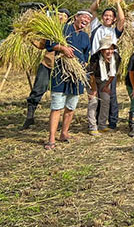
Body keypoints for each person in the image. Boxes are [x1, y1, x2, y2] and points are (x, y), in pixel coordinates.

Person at [44, 10, 92, 150]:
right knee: (57, 106)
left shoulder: (84, 36)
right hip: (61, 73)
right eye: (84, 18)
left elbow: (86, 54)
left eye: (88, 20)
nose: (86, 21)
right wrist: (62, 48)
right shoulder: (63, 28)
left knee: (71, 107)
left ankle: (64, 133)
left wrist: (84, 65)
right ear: (76, 17)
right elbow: (49, 44)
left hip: (77, 75)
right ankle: (51, 138)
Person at [22, 8, 71, 130]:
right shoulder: (49, 31)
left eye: (64, 16)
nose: (61, 17)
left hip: (63, 68)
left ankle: (60, 123)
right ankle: (30, 117)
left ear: (67, 19)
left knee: (63, 94)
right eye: (59, 14)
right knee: (38, 89)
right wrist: (29, 37)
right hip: (47, 64)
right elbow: (41, 45)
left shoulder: (70, 31)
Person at [88, 0, 126, 130]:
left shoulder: (114, 31)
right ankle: (97, 122)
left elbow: (122, 19)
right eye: (106, 15)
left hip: (110, 65)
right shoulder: (96, 26)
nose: (107, 17)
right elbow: (92, 10)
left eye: (110, 16)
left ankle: (112, 121)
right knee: (95, 94)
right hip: (95, 64)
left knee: (110, 94)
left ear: (114, 19)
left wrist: (117, 2)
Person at [87, 36, 121, 136]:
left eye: (111, 49)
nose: (109, 51)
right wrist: (93, 90)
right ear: (102, 50)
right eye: (107, 49)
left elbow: (113, 74)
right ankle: (92, 126)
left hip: (105, 79)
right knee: (93, 101)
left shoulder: (116, 58)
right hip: (92, 79)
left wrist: (107, 86)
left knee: (106, 99)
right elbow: (91, 75)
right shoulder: (95, 58)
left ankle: (102, 125)